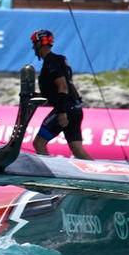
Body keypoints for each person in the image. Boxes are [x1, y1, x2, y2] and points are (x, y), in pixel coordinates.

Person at [30, 30, 92, 160]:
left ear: (39, 44)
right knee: (77, 149)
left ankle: (46, 176)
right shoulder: (59, 60)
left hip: (65, 109)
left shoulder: (50, 62)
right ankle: (99, 174)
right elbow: (64, 88)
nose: (32, 47)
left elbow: (62, 86)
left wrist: (62, 112)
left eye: (34, 44)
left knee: (38, 143)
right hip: (75, 108)